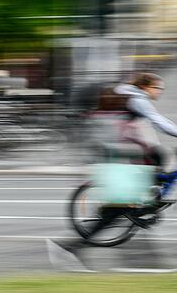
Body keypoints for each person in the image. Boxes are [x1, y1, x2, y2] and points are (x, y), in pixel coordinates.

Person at [48, 72, 177, 270]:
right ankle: (68, 247)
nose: (159, 92)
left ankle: (147, 200)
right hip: (119, 151)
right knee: (118, 207)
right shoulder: (136, 99)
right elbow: (157, 121)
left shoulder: (124, 94)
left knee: (158, 156)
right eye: (157, 88)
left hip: (114, 148)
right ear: (146, 86)